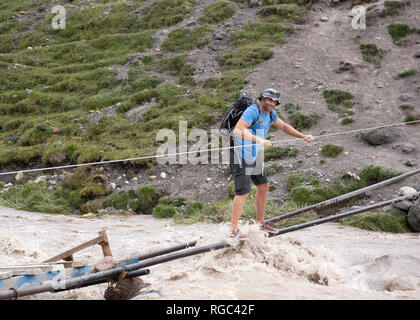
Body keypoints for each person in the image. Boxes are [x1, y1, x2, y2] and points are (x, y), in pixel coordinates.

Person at [229, 88, 314, 239]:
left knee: (263, 185)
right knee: (243, 191)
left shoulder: (270, 113)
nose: (271, 103)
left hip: (253, 154)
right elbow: (238, 130)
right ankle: (233, 230)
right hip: (239, 153)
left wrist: (302, 136)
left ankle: (260, 223)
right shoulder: (252, 111)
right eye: (269, 100)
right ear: (262, 99)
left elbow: (284, 126)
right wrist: (260, 140)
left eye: (274, 101)